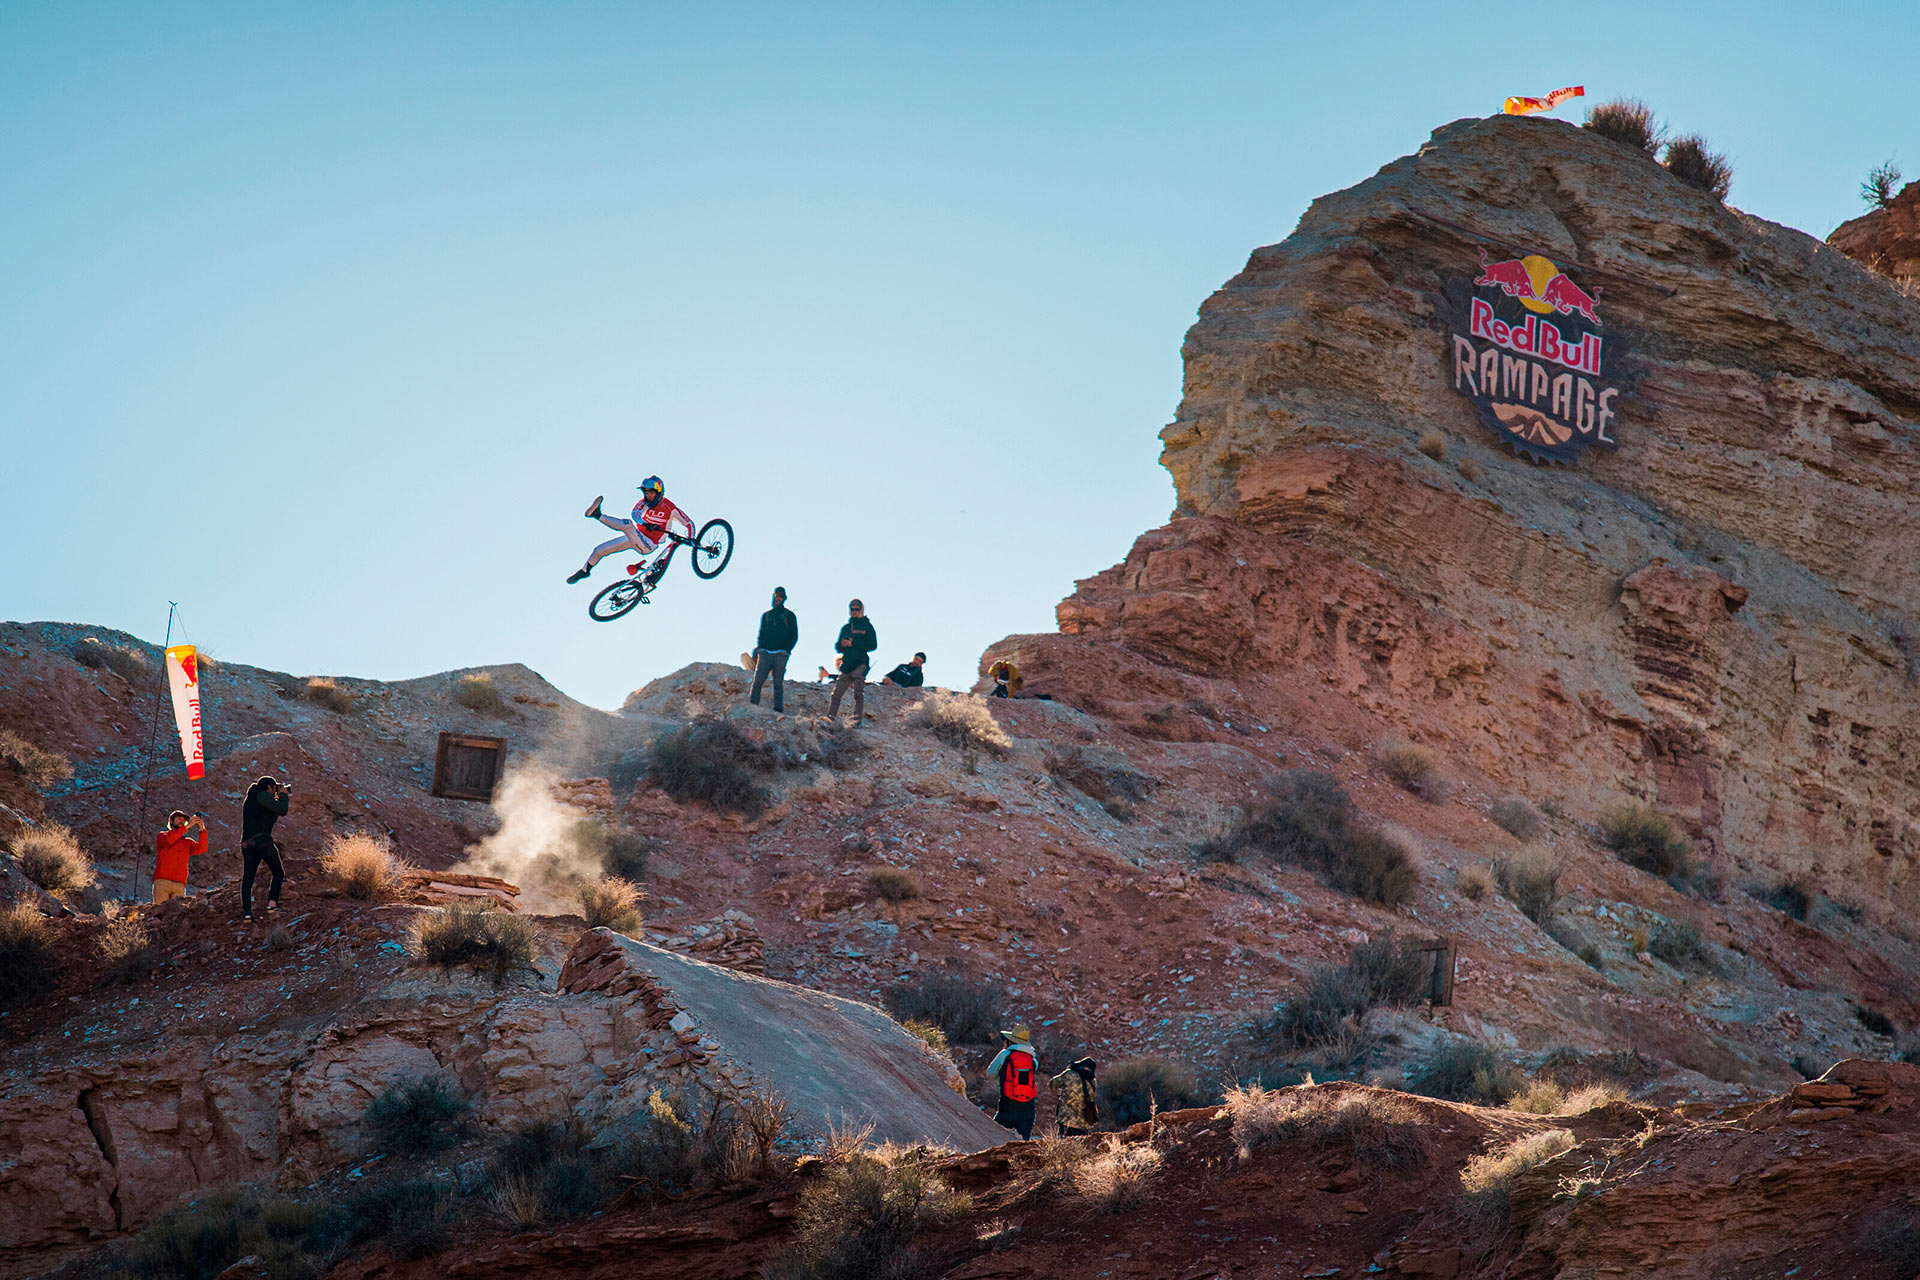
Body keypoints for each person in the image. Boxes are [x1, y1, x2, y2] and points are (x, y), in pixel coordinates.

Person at [566, 476, 694, 585]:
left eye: (651, 492)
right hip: (636, 536)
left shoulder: (670, 508)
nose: (648, 495)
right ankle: (584, 571)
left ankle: (597, 515)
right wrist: (644, 523)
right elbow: (635, 514)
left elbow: (689, 523)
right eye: (645, 492)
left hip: (648, 544)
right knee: (599, 550)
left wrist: (692, 540)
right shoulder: (643, 503)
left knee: (627, 524)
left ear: (659, 492)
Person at [240, 775, 290, 921]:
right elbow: (282, 809)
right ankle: (272, 904)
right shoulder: (262, 795)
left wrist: (278, 795)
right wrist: (283, 795)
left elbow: (271, 813)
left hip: (247, 842)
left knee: (248, 878)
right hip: (261, 840)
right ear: (269, 787)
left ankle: (247, 913)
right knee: (278, 873)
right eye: (273, 789)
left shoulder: (251, 799)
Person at [827, 599, 877, 725]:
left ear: (861, 610)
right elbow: (838, 647)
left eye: (856, 609)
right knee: (836, 694)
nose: (854, 612)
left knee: (858, 693)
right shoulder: (846, 628)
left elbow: (873, 645)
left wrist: (853, 643)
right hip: (847, 664)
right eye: (852, 609)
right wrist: (843, 645)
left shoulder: (867, 627)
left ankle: (856, 721)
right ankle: (829, 719)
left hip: (861, 663)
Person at [750, 587, 798, 714]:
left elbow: (794, 635)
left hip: (780, 654)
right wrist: (760, 649)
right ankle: (752, 705)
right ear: (773, 596)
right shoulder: (766, 616)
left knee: (778, 682)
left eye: (781, 596)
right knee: (758, 680)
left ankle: (778, 709)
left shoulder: (790, 616)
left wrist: (786, 650)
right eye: (777, 595)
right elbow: (761, 633)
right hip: (765, 653)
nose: (778, 598)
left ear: (784, 598)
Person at [987, 1025, 1040, 1140]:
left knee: (993, 1138)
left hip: (1008, 1106)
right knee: (1023, 1144)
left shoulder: (1005, 1055)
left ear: (1010, 1041)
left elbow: (990, 1073)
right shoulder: (1033, 1060)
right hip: (1028, 1108)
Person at [152, 810, 208, 903]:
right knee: (160, 912)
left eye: (183, 820)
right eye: (178, 818)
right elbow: (169, 840)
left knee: (177, 915)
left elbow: (202, 848)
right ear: (171, 821)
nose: (182, 821)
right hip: (162, 882)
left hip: (179, 884)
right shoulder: (163, 835)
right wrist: (188, 826)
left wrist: (202, 828)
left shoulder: (187, 842)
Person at [1049, 1057, 1099, 1137]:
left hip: (1066, 1120)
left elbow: (1052, 1084)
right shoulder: (1092, 1081)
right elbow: (1093, 1096)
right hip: (1082, 1124)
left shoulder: (1069, 1074)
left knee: (1062, 1146)